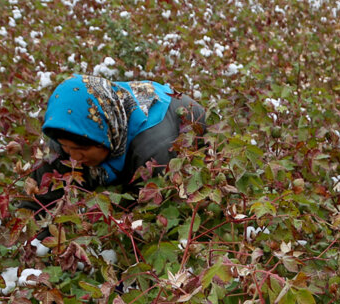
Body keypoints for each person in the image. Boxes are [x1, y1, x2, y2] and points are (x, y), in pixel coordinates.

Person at [16, 75, 206, 216]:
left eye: (82, 150)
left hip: (178, 117)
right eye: (67, 147)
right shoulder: (67, 130)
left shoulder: (154, 153)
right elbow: (36, 205)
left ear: (107, 137)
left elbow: (151, 217)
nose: (74, 157)